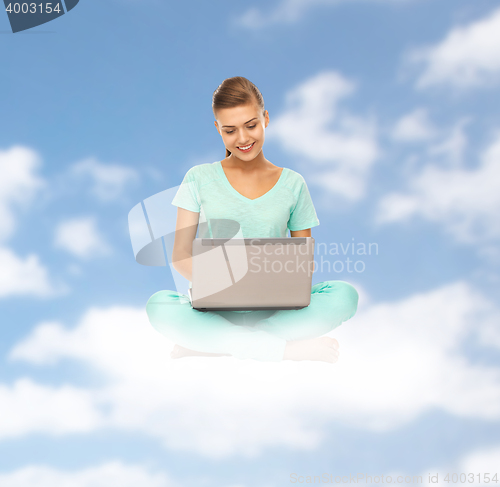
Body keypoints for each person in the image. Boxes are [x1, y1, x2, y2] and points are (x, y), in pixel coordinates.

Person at [146, 76, 359, 363]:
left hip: (277, 310)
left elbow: (304, 259)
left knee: (344, 295)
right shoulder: (198, 178)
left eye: (251, 125)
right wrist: (218, 283)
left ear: (265, 118)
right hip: (216, 307)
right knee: (158, 305)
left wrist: (274, 282)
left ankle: (218, 343)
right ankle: (283, 349)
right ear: (217, 129)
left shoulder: (293, 184)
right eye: (230, 130)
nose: (243, 139)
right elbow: (180, 254)